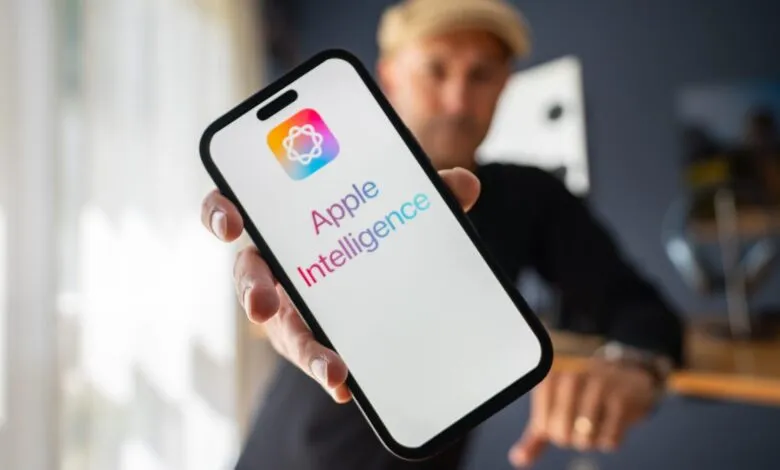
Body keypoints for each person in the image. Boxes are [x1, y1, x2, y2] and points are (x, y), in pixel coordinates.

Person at [200, 0, 684, 468]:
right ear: (388, 77)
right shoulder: (319, 192)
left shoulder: (530, 197)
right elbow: (270, 300)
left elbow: (638, 307)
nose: (458, 100)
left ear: (504, 86)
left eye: (481, 74)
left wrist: (633, 366)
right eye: (436, 69)